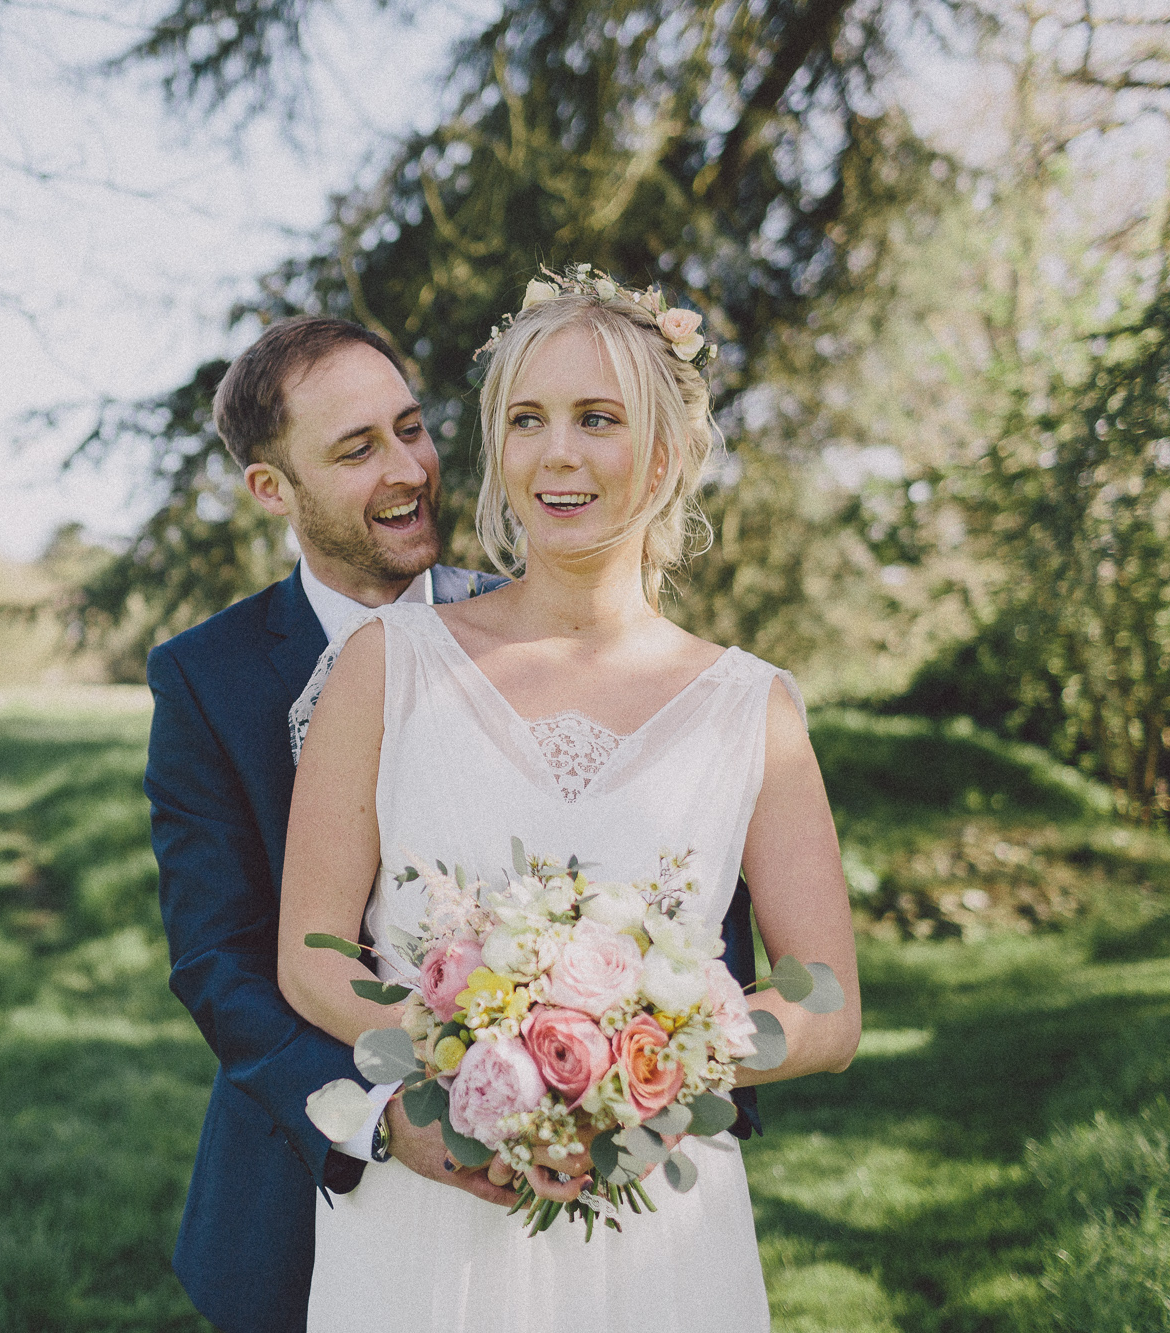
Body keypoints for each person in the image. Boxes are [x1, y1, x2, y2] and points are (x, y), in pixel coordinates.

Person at [276, 274, 862, 1330]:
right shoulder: (384, 667)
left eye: (597, 419)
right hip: (428, 1229)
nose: (557, 454)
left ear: (666, 451)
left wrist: (642, 1067)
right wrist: (464, 1059)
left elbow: (823, 1002)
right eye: (525, 419)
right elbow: (310, 949)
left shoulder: (752, 708)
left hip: (658, 1236)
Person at [145, 315, 518, 1333]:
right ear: (273, 488)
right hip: (308, 1180)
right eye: (356, 450)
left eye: (410, 428)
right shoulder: (205, 678)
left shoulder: (528, 631)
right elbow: (215, 958)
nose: (407, 469)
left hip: (536, 1162)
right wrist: (380, 1117)